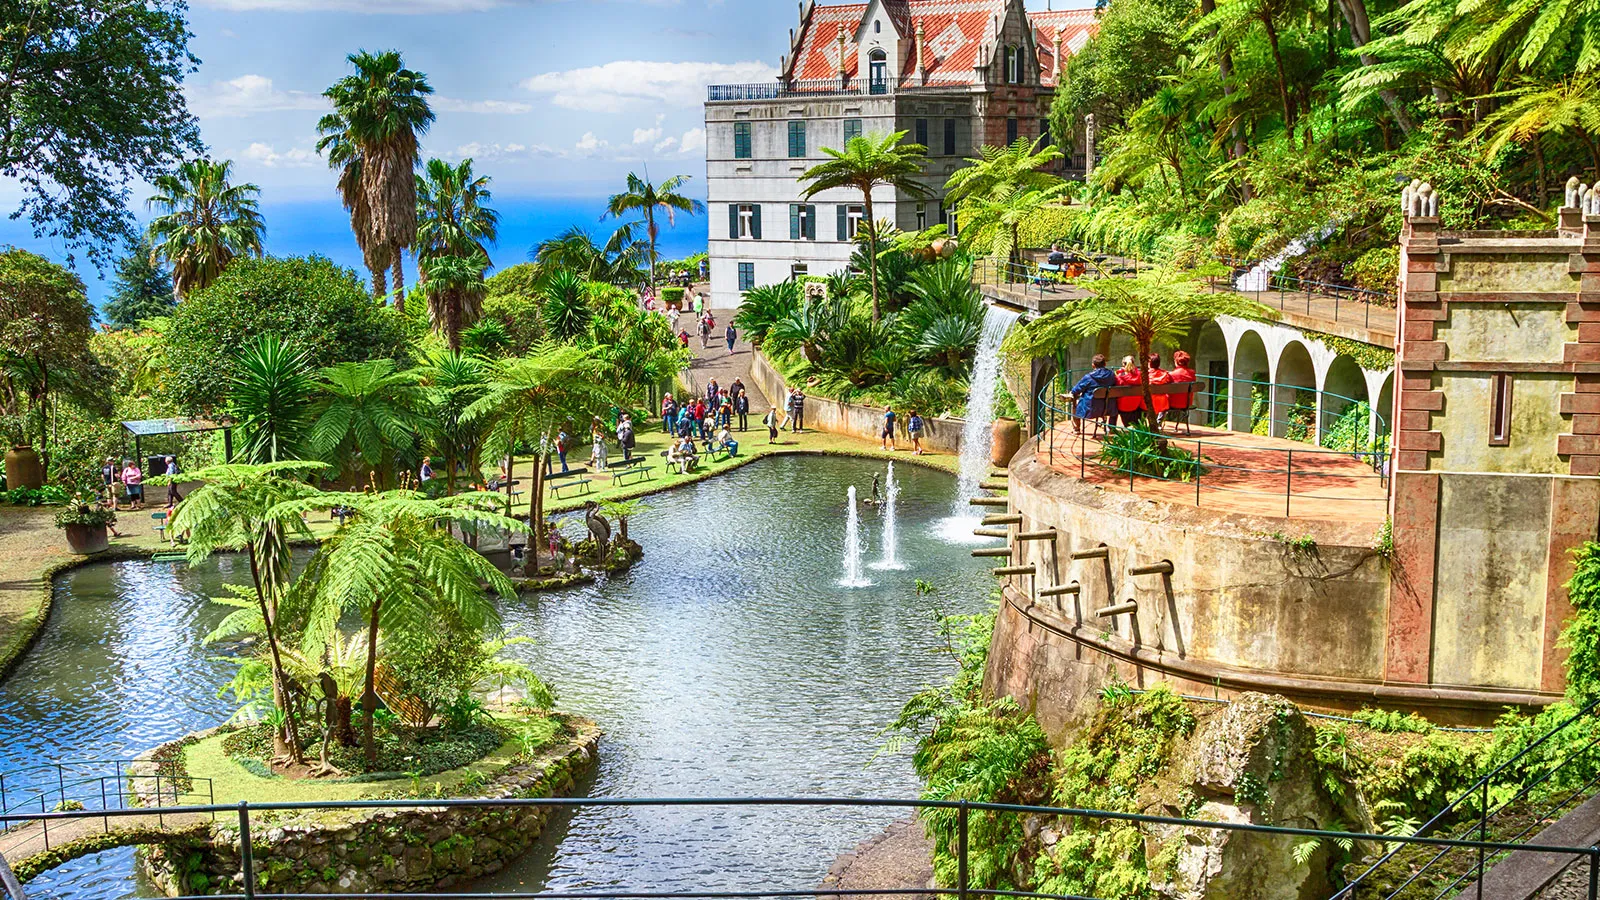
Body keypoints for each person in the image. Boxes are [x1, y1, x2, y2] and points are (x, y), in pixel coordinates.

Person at [1070, 354, 1119, 431]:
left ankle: (1077, 428)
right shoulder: (1112, 375)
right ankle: (1112, 428)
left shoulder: (1088, 377)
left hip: (1090, 409)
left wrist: (1073, 392)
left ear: (1093, 365)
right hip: (1109, 407)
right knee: (1113, 403)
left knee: (1074, 403)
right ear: (1105, 364)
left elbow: (1075, 390)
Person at [1167, 351, 1197, 429]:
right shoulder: (1192, 373)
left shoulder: (1172, 375)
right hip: (1187, 403)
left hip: (1173, 403)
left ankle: (1158, 424)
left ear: (1176, 362)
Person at [1145, 353, 1174, 430]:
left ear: (1149, 363)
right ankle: (1158, 422)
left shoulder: (1146, 374)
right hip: (1162, 402)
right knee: (1165, 398)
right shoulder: (1165, 374)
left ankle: (1147, 424)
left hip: (1149, 402)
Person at [1115, 356, 1144, 427]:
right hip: (1137, 405)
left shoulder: (1119, 377)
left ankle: (1112, 427)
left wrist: (1119, 372)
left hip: (1123, 406)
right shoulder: (1141, 376)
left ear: (1123, 365)